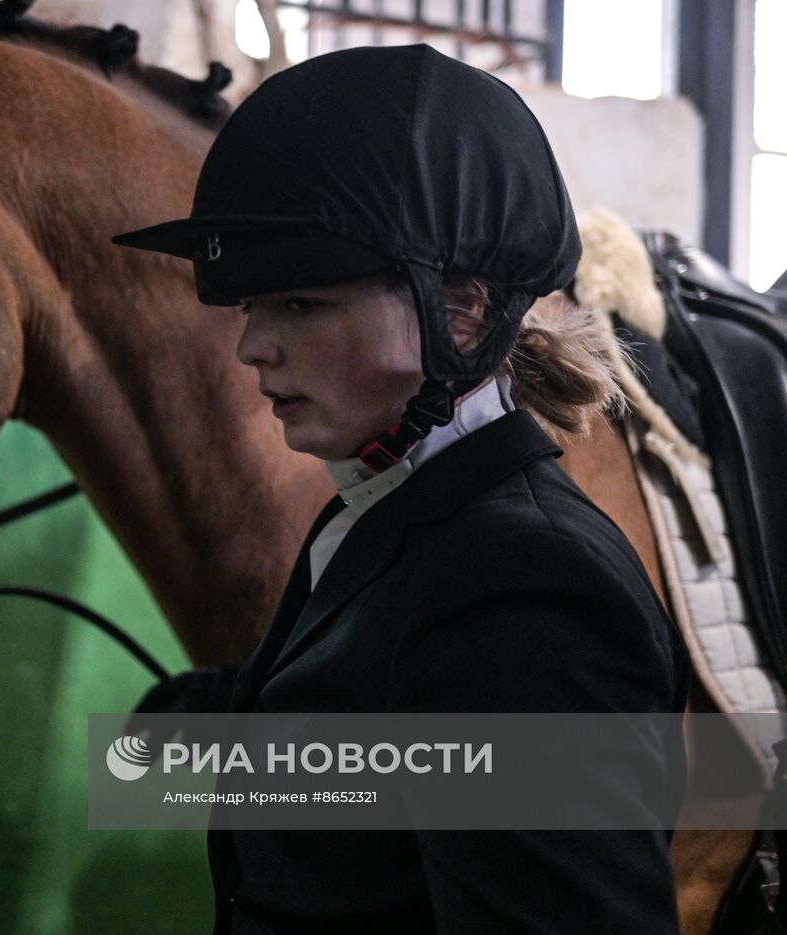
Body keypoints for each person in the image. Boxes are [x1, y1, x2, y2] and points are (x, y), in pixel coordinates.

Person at [114, 45, 688, 933]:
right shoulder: (395, 511)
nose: (250, 348)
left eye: (299, 306)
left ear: (456, 310)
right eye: (247, 309)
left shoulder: (526, 587)